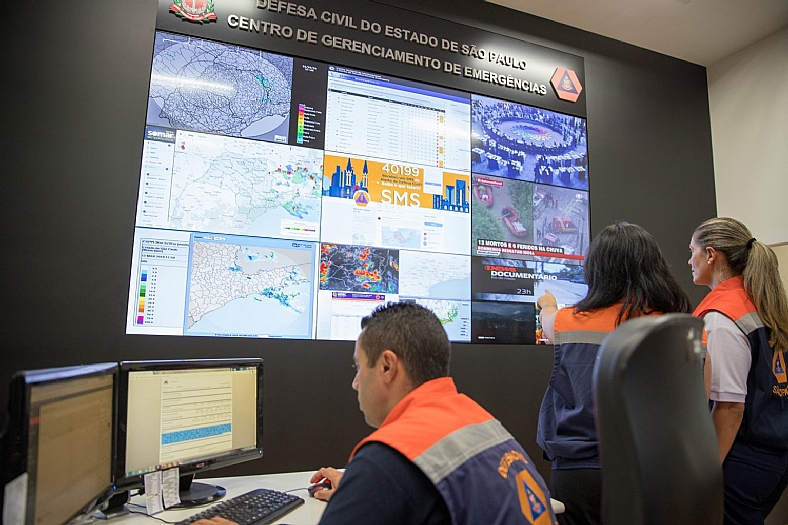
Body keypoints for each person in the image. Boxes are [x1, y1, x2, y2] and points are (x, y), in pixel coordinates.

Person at [194, 301, 557, 525]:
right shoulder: (477, 419)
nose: (355, 383)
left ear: (387, 367)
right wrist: (361, 496)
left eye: (358, 368)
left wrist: (370, 486)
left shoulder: (389, 461)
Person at [536, 221, 692, 525]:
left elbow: (550, 322)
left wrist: (548, 304)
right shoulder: (682, 327)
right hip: (657, 473)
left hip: (581, 474)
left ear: (597, 269)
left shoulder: (570, 321)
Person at [689, 217, 788, 525]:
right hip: (771, 457)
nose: (688, 259)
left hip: (741, 460)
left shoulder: (722, 316)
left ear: (710, 254)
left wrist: (705, 475)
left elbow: (729, 407)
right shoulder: (761, 303)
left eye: (691, 250)